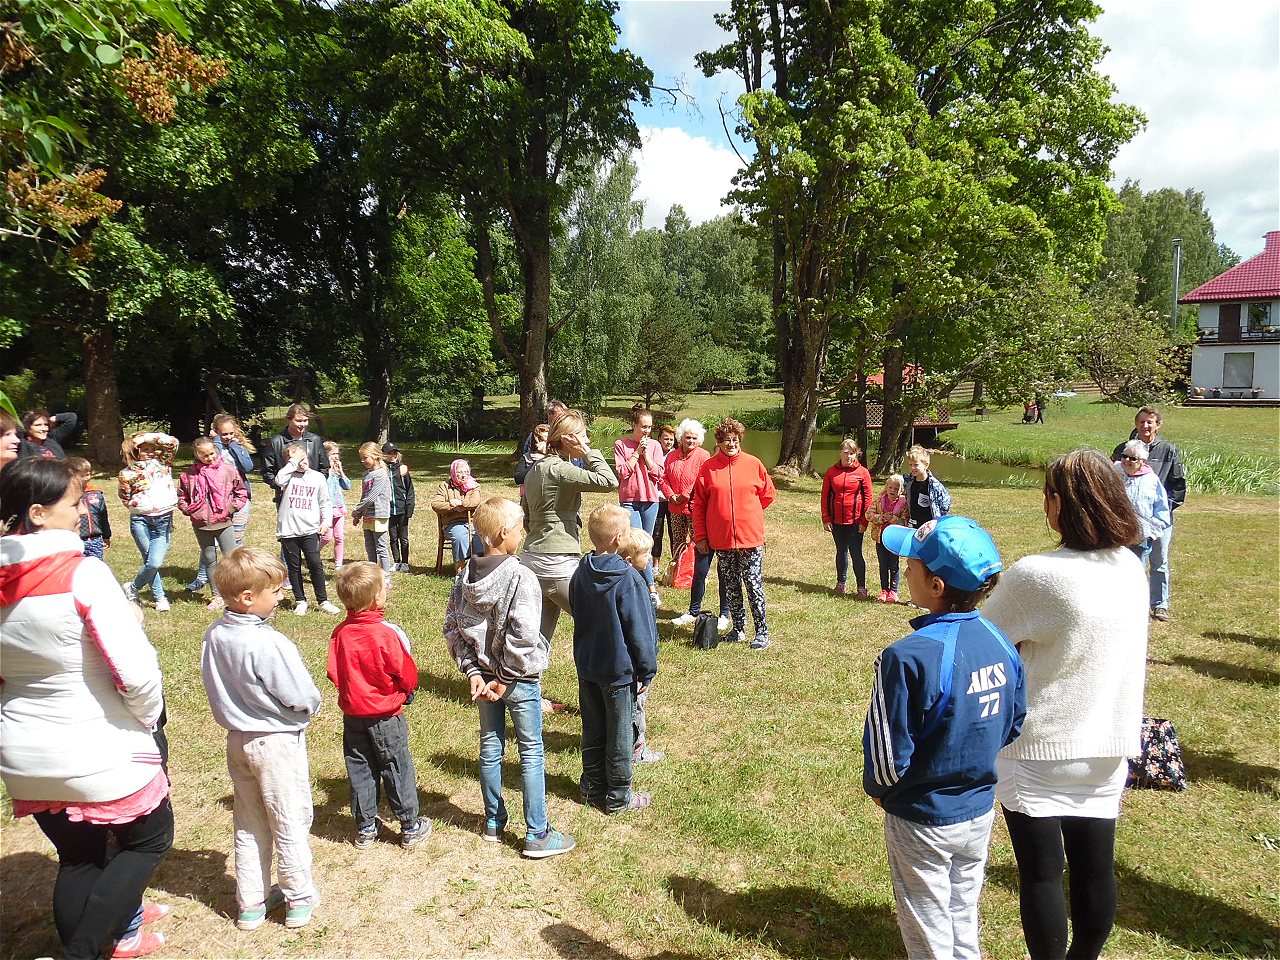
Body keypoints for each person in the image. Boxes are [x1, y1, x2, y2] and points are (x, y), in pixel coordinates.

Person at [1, 457, 173, 960]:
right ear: (37, 513)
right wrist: (146, 719)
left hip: (23, 748)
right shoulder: (83, 574)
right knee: (149, 840)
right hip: (97, 744)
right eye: (74, 503)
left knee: (78, 858)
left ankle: (98, 941)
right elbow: (136, 672)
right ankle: (82, 951)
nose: (83, 512)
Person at [983, 449, 1148, 960]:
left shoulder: (1036, 575)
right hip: (1108, 745)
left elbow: (985, 639)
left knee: (1040, 874)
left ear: (1062, 503)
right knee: (1095, 869)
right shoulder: (1131, 567)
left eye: (1047, 495)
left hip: (1038, 748)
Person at [865, 515, 1025, 960]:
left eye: (911, 565)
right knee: (961, 909)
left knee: (928, 925)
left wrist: (881, 790)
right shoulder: (1001, 641)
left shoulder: (905, 657)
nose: (904, 570)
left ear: (936, 586)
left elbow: (887, 750)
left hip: (922, 817)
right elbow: (1014, 721)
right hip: (979, 809)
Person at [444, 496, 575, 858]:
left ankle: (493, 820)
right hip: (516, 679)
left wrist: (473, 670)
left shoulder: (464, 576)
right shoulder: (521, 577)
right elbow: (525, 635)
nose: (523, 533)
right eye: (520, 528)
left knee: (490, 746)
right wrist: (503, 677)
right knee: (531, 750)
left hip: (485, 679)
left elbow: (454, 628)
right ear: (503, 533)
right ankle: (537, 833)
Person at [200, 547, 323, 931]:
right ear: (247, 597)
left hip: (238, 741)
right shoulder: (269, 643)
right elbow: (300, 694)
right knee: (289, 818)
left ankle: (251, 902)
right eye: (276, 590)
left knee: (249, 821)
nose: (282, 596)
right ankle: (298, 897)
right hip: (276, 743)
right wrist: (308, 708)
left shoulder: (215, 635)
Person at [328, 562, 431, 849]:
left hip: (353, 714)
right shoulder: (386, 634)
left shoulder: (340, 633)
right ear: (376, 597)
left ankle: (365, 828)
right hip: (386, 715)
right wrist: (405, 691)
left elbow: (334, 672)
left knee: (360, 767)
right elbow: (406, 672)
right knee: (396, 766)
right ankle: (409, 826)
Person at [570, 504, 659, 814]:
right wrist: (647, 669)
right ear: (620, 538)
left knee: (593, 728)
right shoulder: (629, 579)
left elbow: (576, 608)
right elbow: (640, 629)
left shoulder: (581, 570)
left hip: (588, 664)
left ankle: (592, 785)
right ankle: (619, 796)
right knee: (620, 733)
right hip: (618, 671)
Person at [520, 409, 618, 647]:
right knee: (600, 621)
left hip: (531, 559)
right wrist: (588, 453)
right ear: (567, 439)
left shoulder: (535, 469)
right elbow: (609, 481)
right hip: (557, 563)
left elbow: (526, 517)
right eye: (583, 436)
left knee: (537, 639)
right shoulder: (561, 469)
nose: (587, 441)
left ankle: (525, 672)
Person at [691, 418, 776, 650]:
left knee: (753, 584)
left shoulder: (753, 464)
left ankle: (762, 632)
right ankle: (738, 628)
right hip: (722, 539)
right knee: (731, 584)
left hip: (750, 538)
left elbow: (768, 494)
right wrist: (701, 536)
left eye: (735, 440)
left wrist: (748, 512)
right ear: (719, 442)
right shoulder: (708, 468)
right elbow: (699, 505)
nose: (731, 444)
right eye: (727, 440)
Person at [1111, 406, 1186, 621]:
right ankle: (1130, 604)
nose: (1145, 426)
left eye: (1150, 422)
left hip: (1159, 518)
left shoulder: (1168, 450)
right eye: (1141, 421)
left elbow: (1178, 485)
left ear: (1157, 425)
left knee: (1159, 562)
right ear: (1136, 424)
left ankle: (1160, 604)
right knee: (1129, 563)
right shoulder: (1123, 448)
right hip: (1127, 522)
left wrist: (1159, 515)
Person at [662, 419, 725, 630]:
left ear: (700, 440)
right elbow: (663, 478)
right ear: (681, 438)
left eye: (694, 438)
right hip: (674, 507)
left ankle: (697, 577)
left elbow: (700, 479)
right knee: (678, 542)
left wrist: (684, 495)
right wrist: (671, 495)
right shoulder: (671, 456)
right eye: (687, 437)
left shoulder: (704, 456)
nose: (690, 441)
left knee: (698, 543)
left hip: (695, 507)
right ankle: (678, 575)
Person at [178, 437, 249, 612]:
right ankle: (216, 595)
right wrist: (188, 509)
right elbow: (182, 496)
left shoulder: (228, 470)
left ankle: (237, 591)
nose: (210, 458)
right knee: (210, 559)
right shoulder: (189, 475)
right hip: (201, 523)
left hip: (223, 521)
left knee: (232, 558)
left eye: (212, 454)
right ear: (197, 455)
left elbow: (241, 492)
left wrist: (231, 508)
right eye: (205, 455)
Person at [187, 414, 257, 594]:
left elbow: (247, 467)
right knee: (211, 546)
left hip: (237, 499)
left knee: (235, 542)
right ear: (216, 433)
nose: (228, 437)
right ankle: (202, 577)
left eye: (231, 433)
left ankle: (235, 580)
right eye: (224, 434)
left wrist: (234, 446)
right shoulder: (212, 449)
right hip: (213, 504)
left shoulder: (237, 446)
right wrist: (217, 442)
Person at [118, 431, 180, 612]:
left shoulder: (163, 463)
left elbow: (173, 442)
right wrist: (138, 506)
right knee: (149, 561)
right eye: (145, 449)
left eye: (152, 448)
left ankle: (133, 587)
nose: (151, 452)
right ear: (135, 452)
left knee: (154, 562)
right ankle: (160, 598)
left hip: (163, 519)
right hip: (140, 520)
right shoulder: (127, 473)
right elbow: (124, 496)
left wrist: (145, 438)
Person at [275, 444, 339, 616]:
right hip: (288, 530)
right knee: (294, 566)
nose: (301, 463)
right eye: (297, 460)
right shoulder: (287, 476)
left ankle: (323, 600)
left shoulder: (317, 477)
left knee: (315, 564)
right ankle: (300, 600)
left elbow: (325, 502)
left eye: (303, 458)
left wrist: (326, 522)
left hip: (310, 529)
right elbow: (278, 480)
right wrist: (292, 463)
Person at [618, 527, 663, 765]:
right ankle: (637, 748)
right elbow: (640, 633)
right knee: (637, 707)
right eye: (645, 554)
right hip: (635, 665)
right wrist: (647, 667)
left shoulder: (629, 582)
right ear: (629, 560)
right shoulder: (633, 587)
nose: (649, 558)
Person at [614, 404, 665, 604]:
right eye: (643, 426)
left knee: (646, 545)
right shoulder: (621, 444)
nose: (647, 431)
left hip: (650, 501)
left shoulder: (655, 446)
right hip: (629, 501)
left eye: (649, 427)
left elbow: (659, 473)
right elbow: (623, 472)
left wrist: (647, 456)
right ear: (634, 425)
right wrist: (636, 453)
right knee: (634, 545)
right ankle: (649, 589)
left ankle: (645, 588)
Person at [821, 438, 874, 597]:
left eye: (852, 453)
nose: (848, 456)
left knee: (856, 553)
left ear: (856, 454)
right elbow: (825, 496)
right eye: (845, 452)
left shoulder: (863, 472)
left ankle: (861, 587)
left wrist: (864, 521)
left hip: (855, 521)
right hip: (837, 521)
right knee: (841, 552)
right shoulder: (831, 472)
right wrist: (826, 518)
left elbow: (868, 498)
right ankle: (841, 583)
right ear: (840, 453)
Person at [1115, 440, 1171, 570]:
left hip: (1139, 540)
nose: (1127, 460)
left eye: (1133, 458)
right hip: (1115, 537)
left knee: (1136, 573)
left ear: (1143, 462)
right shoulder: (1112, 473)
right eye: (1124, 456)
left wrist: (1149, 533)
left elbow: (1162, 511)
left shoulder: (1151, 480)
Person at [260, 404, 330, 507]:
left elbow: (324, 468)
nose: (302, 424)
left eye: (305, 420)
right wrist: (281, 486)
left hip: (311, 495)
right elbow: (267, 472)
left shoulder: (315, 440)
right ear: (288, 420)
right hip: (286, 498)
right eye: (298, 421)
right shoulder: (275, 442)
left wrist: (316, 484)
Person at [431, 458, 484, 575]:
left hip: (472, 522)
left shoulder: (474, 486)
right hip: (452, 523)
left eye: (466, 472)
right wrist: (451, 506)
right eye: (460, 472)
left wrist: (461, 503)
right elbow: (435, 504)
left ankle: (480, 568)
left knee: (481, 536)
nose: (464, 475)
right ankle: (460, 571)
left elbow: (475, 502)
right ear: (454, 473)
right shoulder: (445, 486)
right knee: (460, 537)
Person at [351, 442, 392, 587]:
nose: (362, 461)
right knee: (370, 546)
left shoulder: (381, 475)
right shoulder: (367, 475)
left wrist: (357, 510)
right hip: (368, 515)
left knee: (381, 547)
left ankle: (386, 577)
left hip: (379, 515)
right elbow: (364, 496)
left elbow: (371, 498)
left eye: (365, 458)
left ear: (375, 456)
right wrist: (359, 515)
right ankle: (373, 575)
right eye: (361, 458)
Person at [867, 473, 908, 603]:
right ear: (886, 487)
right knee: (883, 564)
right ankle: (884, 590)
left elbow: (905, 522)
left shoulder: (903, 504)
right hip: (880, 538)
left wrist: (893, 519)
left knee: (894, 565)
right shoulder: (879, 500)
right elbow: (868, 514)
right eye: (890, 487)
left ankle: (894, 591)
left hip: (895, 540)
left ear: (901, 490)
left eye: (896, 488)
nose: (892, 490)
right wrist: (881, 518)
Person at [514, 399, 571, 486]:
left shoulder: (569, 436)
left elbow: (575, 464)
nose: (563, 418)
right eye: (560, 415)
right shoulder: (536, 435)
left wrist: (545, 459)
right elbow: (527, 460)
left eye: (565, 415)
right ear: (550, 414)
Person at [68, 456, 112, 560]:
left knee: (96, 564)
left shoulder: (96, 493)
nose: (86, 478)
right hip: (75, 539)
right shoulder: (66, 494)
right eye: (82, 475)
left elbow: (103, 515)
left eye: (88, 474)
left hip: (95, 539)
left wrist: (106, 535)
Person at [383, 443, 416, 572]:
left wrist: (409, 506)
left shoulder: (402, 469)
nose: (392, 455)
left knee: (404, 537)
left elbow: (410, 489)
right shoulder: (383, 470)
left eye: (394, 453)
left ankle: (405, 562)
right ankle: (397, 561)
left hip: (402, 508)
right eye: (389, 453)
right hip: (389, 509)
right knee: (393, 537)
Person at [903, 445, 951, 530]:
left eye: (916, 465)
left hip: (929, 525)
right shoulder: (909, 481)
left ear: (926, 465)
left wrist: (938, 518)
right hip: (913, 523)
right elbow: (896, 481)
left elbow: (945, 503)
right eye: (910, 465)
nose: (912, 468)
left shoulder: (934, 485)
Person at [320, 440, 351, 568]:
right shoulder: (322, 472)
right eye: (333, 454)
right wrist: (329, 470)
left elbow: (347, 486)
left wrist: (341, 472)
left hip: (339, 507)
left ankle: (339, 563)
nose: (336, 457)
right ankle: (313, 552)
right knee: (326, 536)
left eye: (337, 454)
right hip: (327, 508)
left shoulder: (337, 472)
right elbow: (324, 486)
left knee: (339, 537)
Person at [651, 424, 677, 562]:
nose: (669, 442)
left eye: (671, 439)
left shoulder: (676, 455)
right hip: (657, 498)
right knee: (656, 532)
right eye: (666, 439)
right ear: (659, 439)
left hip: (673, 499)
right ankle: (655, 564)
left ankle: (676, 562)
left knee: (674, 533)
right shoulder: (654, 453)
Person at [515, 423, 549, 499]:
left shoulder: (558, 457)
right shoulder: (528, 457)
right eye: (541, 440)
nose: (544, 443)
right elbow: (518, 478)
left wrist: (544, 460)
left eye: (547, 440)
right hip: (531, 496)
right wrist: (535, 463)